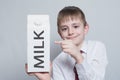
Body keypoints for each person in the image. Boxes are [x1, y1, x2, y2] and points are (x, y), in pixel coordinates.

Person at [26, 6, 108, 80]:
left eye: (75, 26)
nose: (70, 32)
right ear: (60, 33)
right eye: (64, 29)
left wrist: (78, 56)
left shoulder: (97, 47)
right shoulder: (58, 62)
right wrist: (46, 78)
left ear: (85, 28)